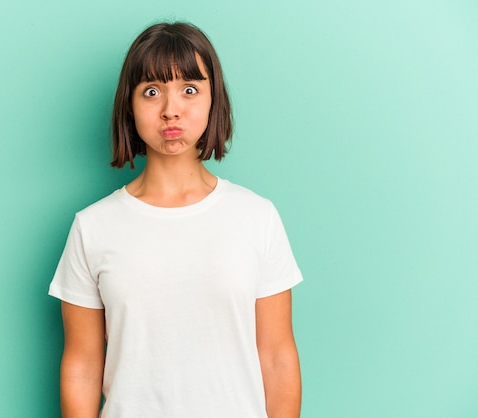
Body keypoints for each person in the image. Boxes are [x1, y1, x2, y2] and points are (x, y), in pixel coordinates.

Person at [49, 21, 303, 418]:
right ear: (129, 106)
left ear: (213, 100)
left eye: (189, 90)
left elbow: (276, 357)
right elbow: (81, 366)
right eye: (151, 92)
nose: (171, 109)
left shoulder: (257, 217)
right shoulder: (93, 227)